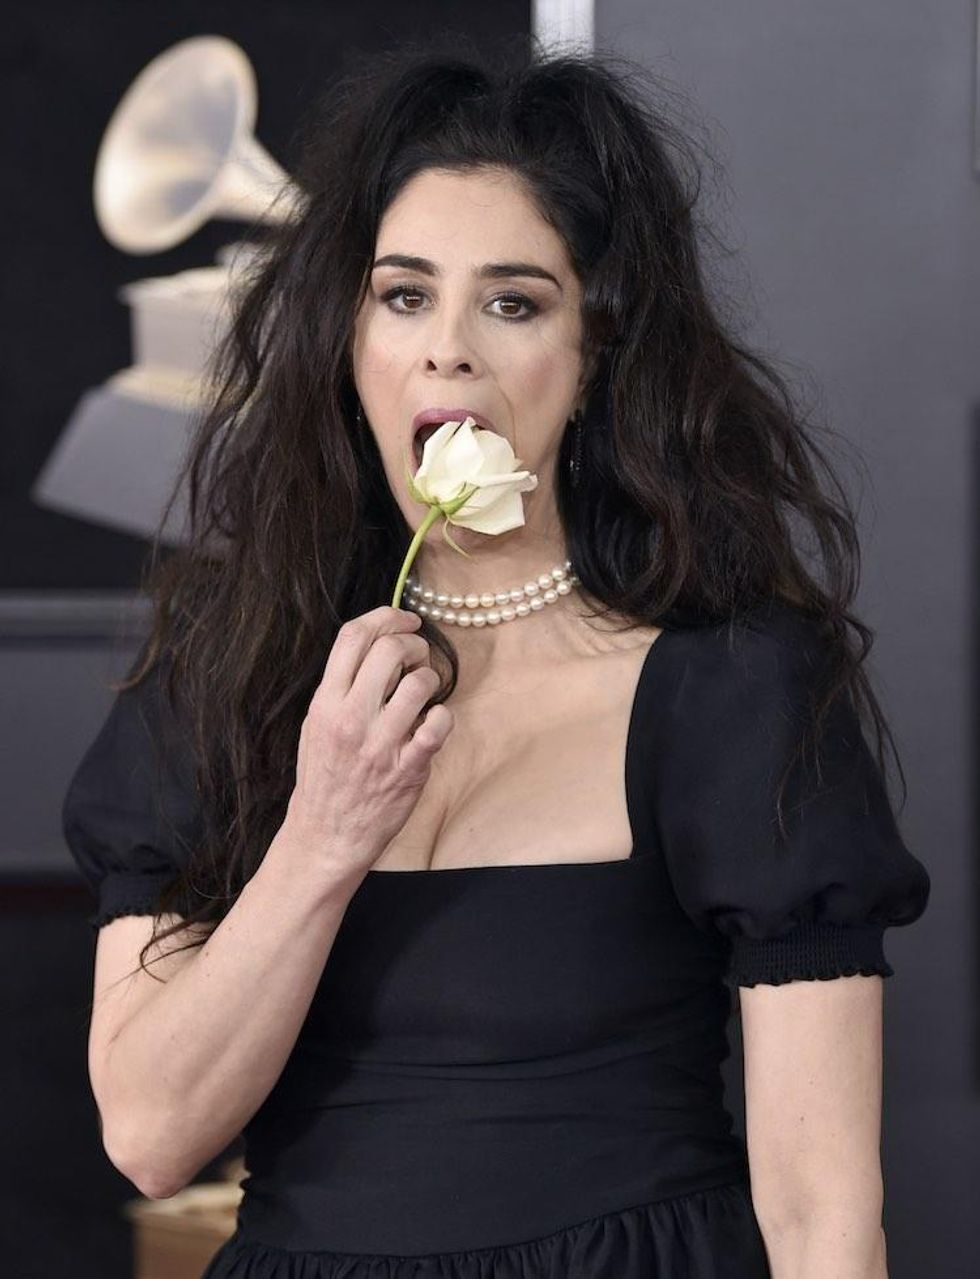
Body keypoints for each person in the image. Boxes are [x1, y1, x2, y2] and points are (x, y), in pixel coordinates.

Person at [62, 35, 931, 1279]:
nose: (446, 348)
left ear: (590, 360)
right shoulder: (231, 658)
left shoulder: (730, 680)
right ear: (345, 333)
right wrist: (324, 829)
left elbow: (820, 1212)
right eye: (403, 294)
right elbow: (150, 1133)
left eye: (512, 302)